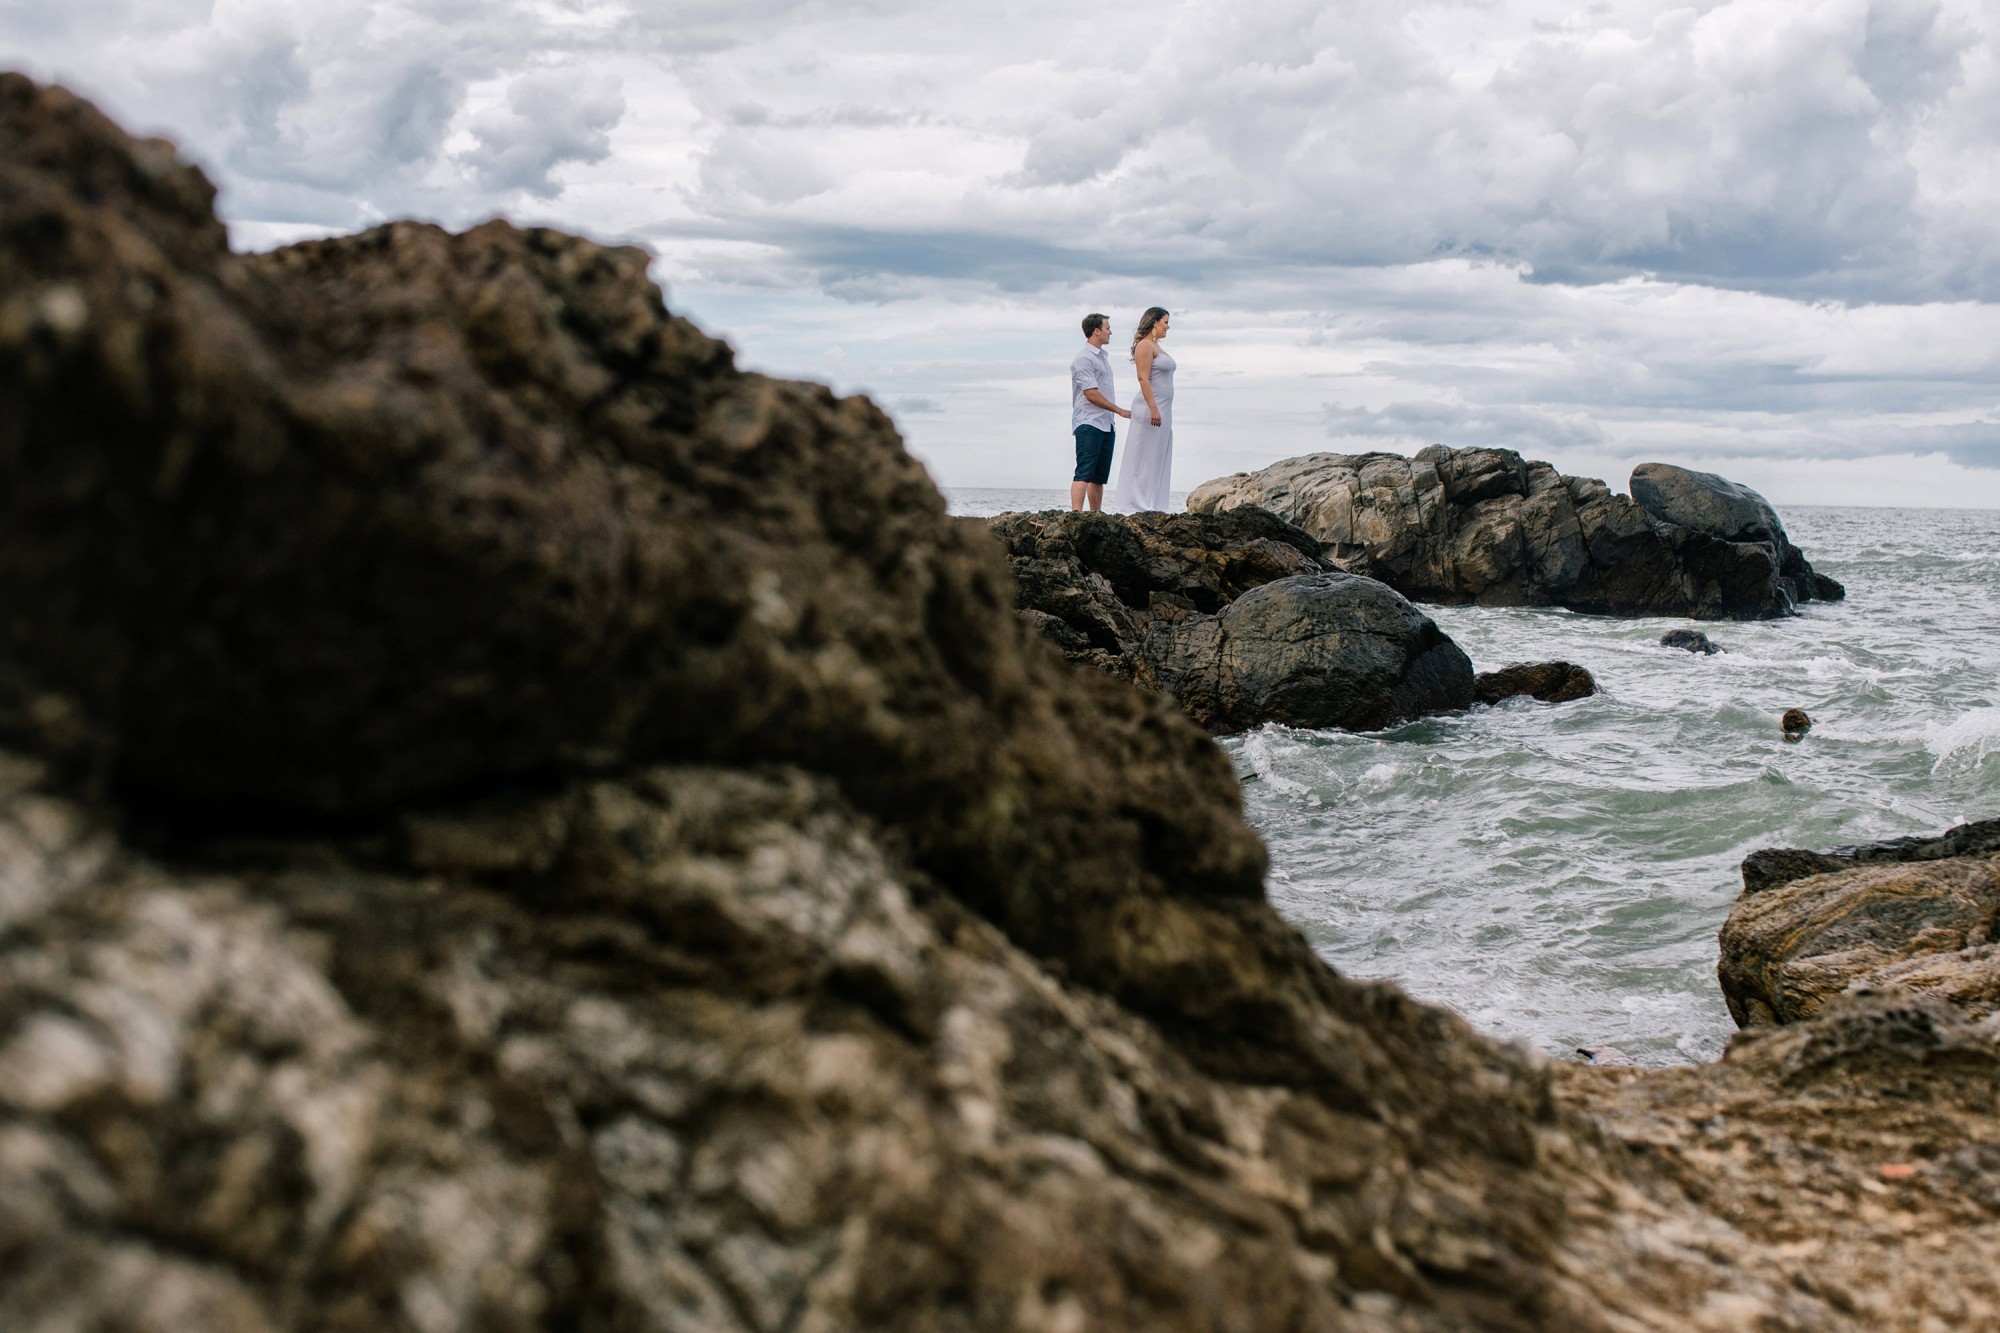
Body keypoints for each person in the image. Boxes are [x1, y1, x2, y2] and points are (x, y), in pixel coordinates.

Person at [1111, 307, 1174, 512]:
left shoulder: (1157, 346)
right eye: (1165, 322)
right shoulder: (1145, 346)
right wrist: (1153, 408)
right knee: (1145, 455)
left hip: (1164, 408)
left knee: (1158, 454)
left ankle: (1154, 504)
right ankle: (1140, 504)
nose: (1167, 326)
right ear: (1154, 322)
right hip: (1150, 407)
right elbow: (1143, 379)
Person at [1069, 313, 1129, 511]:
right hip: (1089, 422)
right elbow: (1091, 394)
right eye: (1107, 327)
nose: (1110, 331)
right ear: (1096, 331)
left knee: (1099, 477)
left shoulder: (1103, 358)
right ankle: (1075, 516)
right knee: (1084, 472)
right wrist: (1118, 410)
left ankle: (1096, 516)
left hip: (1106, 423)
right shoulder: (1084, 359)